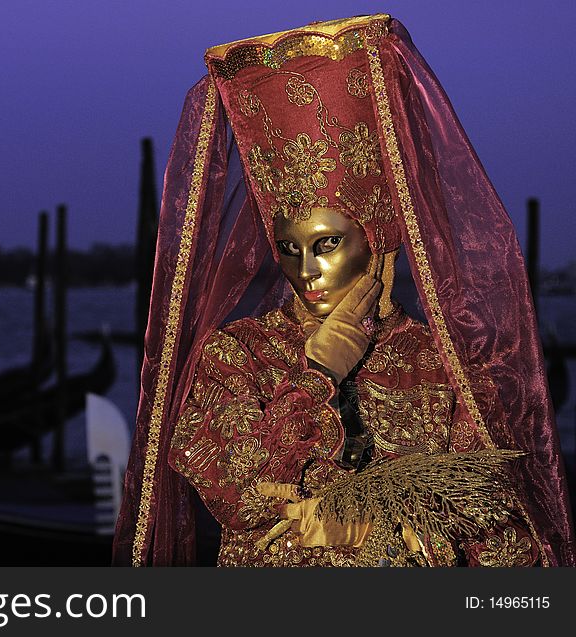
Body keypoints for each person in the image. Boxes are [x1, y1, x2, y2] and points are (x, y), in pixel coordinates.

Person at [113, 14, 576, 566]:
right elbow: (234, 486)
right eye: (287, 248)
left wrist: (384, 526)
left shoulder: (442, 361)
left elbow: (502, 532)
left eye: (326, 243)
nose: (304, 268)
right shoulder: (238, 356)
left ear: (377, 238)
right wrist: (318, 375)